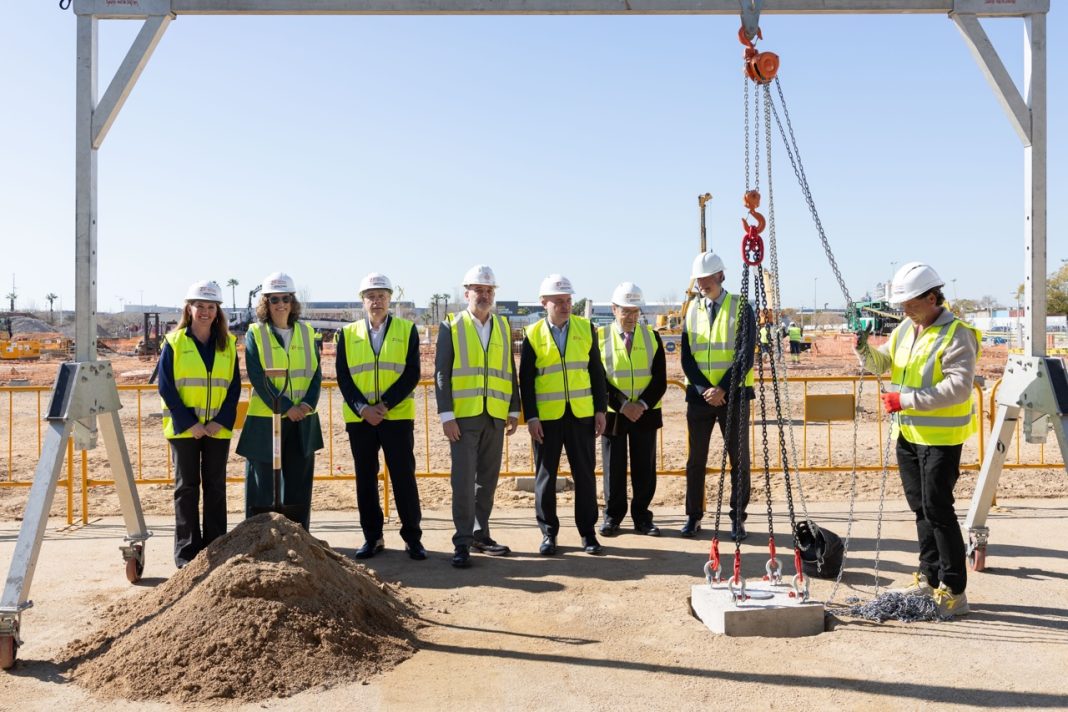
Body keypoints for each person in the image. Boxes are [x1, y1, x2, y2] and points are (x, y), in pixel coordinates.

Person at [856, 261, 979, 617]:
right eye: (902, 304)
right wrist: (863, 349)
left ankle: (954, 589)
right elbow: (884, 365)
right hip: (908, 434)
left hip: (941, 437)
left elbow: (957, 387)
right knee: (921, 508)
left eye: (910, 303)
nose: (904, 310)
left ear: (931, 297)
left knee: (938, 509)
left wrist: (904, 400)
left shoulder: (958, 333)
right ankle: (928, 576)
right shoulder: (905, 331)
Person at [435, 265, 520, 568]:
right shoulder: (452, 325)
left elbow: (509, 370)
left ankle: (481, 534)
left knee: (487, 480)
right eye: (478, 290)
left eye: (489, 291)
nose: (484, 295)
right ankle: (462, 542)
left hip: (495, 416)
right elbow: (442, 374)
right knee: (463, 480)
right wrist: (447, 415)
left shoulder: (501, 326)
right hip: (463, 418)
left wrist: (513, 409)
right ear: (466, 292)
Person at [337, 272, 425, 561]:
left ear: (390, 299)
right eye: (371, 296)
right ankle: (372, 537)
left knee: (403, 477)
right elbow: (344, 377)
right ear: (363, 300)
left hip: (396, 416)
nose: (377, 301)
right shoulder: (347, 334)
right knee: (365, 478)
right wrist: (363, 408)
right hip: (360, 419)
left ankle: (413, 537)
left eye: (382, 296)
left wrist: (384, 405)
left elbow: (412, 373)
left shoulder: (406, 329)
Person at [519, 274, 608, 556]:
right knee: (545, 477)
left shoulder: (586, 328)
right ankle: (548, 533)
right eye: (559, 301)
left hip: (581, 415)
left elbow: (596, 372)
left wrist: (600, 410)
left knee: (585, 475)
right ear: (544, 302)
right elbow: (526, 380)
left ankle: (588, 533)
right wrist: (531, 417)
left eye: (568, 300)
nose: (566, 305)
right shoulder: (532, 334)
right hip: (547, 419)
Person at [158, 280, 240, 567]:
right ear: (189, 309)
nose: (205, 311)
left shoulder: (228, 344)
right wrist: (188, 423)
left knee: (216, 487)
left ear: (217, 311)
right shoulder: (174, 343)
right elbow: (167, 387)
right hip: (185, 430)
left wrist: (220, 421)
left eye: (210, 306)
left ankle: (218, 547)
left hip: (217, 428)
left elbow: (233, 388)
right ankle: (187, 554)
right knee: (187, 488)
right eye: (199, 306)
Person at [236, 272, 323, 531]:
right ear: (266, 303)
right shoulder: (256, 333)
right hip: (266, 420)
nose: (280, 304)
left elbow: (316, 374)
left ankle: (299, 536)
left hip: (303, 420)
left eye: (285, 298)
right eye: (274, 299)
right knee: (261, 484)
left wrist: (305, 406)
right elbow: (257, 377)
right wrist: (286, 408)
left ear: (292, 301)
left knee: (299, 481)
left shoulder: (307, 333)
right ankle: (257, 534)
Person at [680, 251, 756, 541]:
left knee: (739, 460)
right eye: (699, 280)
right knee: (695, 460)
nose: (702, 284)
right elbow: (687, 358)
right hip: (700, 398)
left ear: (721, 276)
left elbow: (744, 355)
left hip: (733, 395)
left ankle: (737, 519)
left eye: (707, 278)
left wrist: (722, 388)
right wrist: (703, 389)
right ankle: (693, 517)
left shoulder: (741, 308)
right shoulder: (692, 310)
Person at [598, 282, 667, 538]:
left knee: (644, 469)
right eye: (625, 311)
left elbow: (660, 379)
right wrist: (623, 405)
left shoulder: (652, 337)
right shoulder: (599, 337)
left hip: (645, 414)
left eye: (635, 311)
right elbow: (598, 379)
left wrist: (641, 405)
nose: (631, 317)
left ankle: (642, 517)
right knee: (613, 468)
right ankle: (612, 517)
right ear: (614, 309)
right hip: (615, 414)